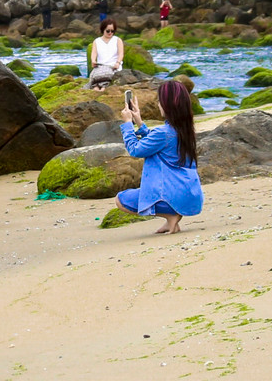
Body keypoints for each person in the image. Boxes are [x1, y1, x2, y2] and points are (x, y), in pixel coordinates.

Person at [115, 79, 203, 234]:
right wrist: (140, 123)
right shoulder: (185, 130)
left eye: (160, 101)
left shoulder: (163, 133)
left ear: (168, 106)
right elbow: (160, 143)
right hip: (191, 195)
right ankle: (173, 216)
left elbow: (135, 150)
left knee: (121, 200)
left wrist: (128, 124)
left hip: (172, 196)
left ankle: (171, 215)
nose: (158, 105)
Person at [87, 19, 123, 88]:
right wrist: (93, 61)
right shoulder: (97, 41)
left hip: (113, 67)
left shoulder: (117, 40)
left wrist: (118, 63)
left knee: (106, 77)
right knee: (95, 77)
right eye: (108, 31)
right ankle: (97, 88)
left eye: (112, 31)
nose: (110, 33)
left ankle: (103, 87)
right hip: (100, 66)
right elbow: (94, 53)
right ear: (103, 29)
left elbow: (121, 54)